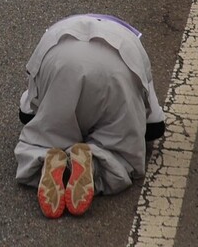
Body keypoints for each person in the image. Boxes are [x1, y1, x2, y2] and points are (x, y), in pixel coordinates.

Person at [15, 14, 165, 218]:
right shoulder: (133, 40)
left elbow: (27, 112)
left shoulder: (56, 29)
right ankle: (95, 163)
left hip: (60, 60)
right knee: (120, 151)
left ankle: (45, 156)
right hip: (119, 68)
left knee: (45, 135)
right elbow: (156, 125)